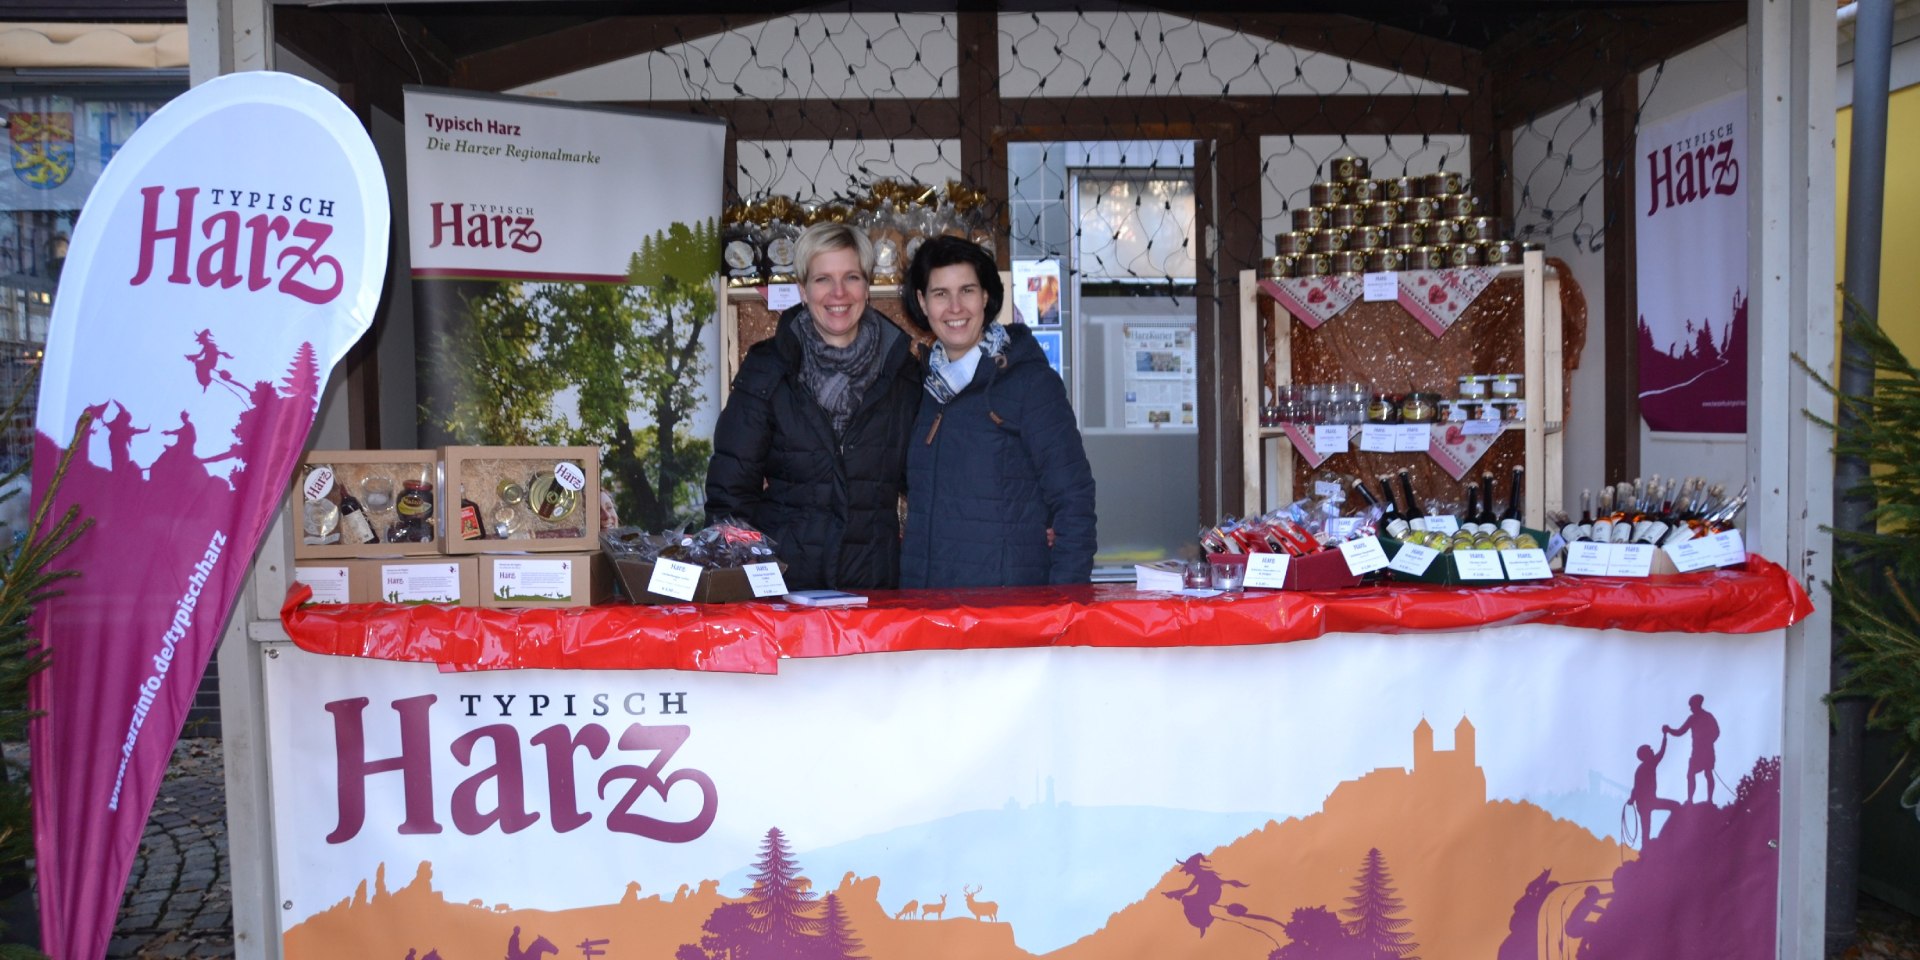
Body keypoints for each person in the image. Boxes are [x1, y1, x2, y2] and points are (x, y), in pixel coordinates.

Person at [704, 222, 924, 590]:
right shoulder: (767, 369)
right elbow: (730, 495)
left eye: (851, 277)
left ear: (867, 287)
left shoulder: (903, 374)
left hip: (875, 587)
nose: (838, 293)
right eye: (823, 279)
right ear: (803, 290)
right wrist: (741, 584)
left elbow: (928, 481)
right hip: (787, 589)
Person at [897, 236, 1096, 587]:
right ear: (922, 302)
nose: (955, 307)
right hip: (927, 606)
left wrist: (1063, 604)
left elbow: (1074, 500)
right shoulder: (918, 388)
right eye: (940, 293)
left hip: (1006, 613)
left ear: (986, 297)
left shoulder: (1030, 383)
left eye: (967, 291)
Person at [1663, 693, 1720, 804]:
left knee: (1707, 773)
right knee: (1691, 774)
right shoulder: (1693, 718)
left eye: (1691, 706)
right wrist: (1669, 730)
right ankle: (1690, 799)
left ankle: (1709, 800)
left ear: (1697, 704)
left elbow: (1716, 732)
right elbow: (1680, 731)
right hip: (1697, 752)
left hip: (1706, 751)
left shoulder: (1707, 716)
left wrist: (1708, 741)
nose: (1690, 708)